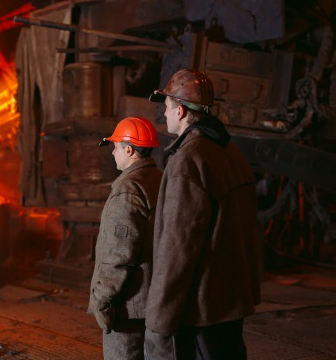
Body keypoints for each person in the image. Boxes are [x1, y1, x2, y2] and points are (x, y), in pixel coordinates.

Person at [144, 69, 261, 360]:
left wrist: (159, 317)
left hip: (202, 308)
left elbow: (178, 245)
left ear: (181, 110)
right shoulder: (229, 151)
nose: (165, 113)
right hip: (231, 300)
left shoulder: (188, 159)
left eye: (167, 106)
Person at [89, 116, 162, 360]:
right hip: (155, 301)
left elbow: (118, 253)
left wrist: (103, 298)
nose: (112, 153)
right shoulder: (159, 180)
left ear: (129, 150)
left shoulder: (128, 189)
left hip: (128, 307)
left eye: (116, 147)